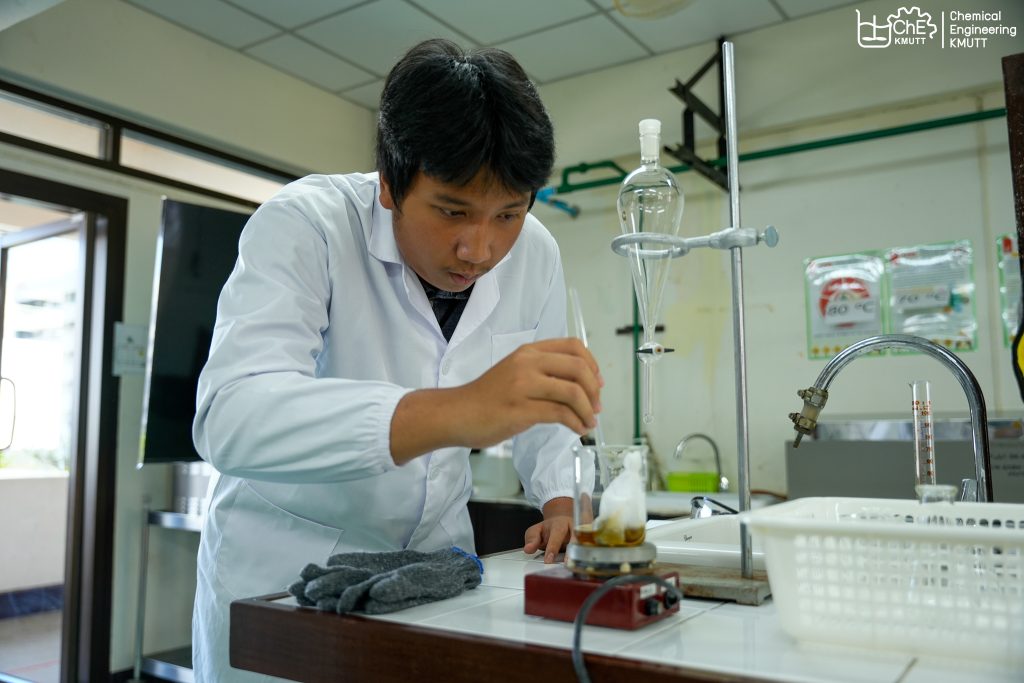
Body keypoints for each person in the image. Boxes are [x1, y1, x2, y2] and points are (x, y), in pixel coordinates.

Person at [191, 39, 602, 681]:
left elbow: (546, 407)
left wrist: (563, 500)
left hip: (436, 575)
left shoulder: (536, 253)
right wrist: (454, 412)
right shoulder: (308, 224)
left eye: (509, 213)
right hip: (287, 574)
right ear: (389, 183)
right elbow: (230, 416)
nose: (480, 249)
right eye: (452, 210)